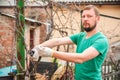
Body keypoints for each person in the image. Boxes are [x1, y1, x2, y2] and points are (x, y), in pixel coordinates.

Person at [29, 5, 109, 80]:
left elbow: (81, 58)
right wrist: (37, 48)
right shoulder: (81, 36)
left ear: (98, 19)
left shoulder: (101, 40)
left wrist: (51, 53)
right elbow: (58, 41)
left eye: (89, 16)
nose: (85, 19)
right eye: (83, 16)